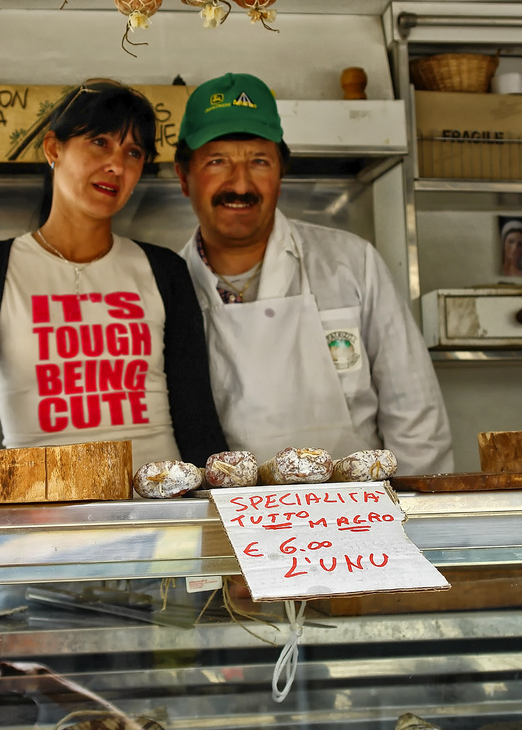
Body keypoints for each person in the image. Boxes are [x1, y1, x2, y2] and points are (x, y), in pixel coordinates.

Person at [0, 80, 227, 469]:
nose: (116, 165)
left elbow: (197, 420)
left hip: (158, 507)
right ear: (53, 147)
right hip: (40, 511)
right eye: (100, 142)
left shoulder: (164, 271)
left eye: (133, 152)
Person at [174, 71, 453, 475]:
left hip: (359, 516)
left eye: (259, 161)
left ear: (281, 174)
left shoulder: (351, 263)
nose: (240, 184)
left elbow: (415, 411)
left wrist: (415, 518)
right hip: (234, 526)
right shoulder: (167, 288)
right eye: (217, 162)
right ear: (185, 177)